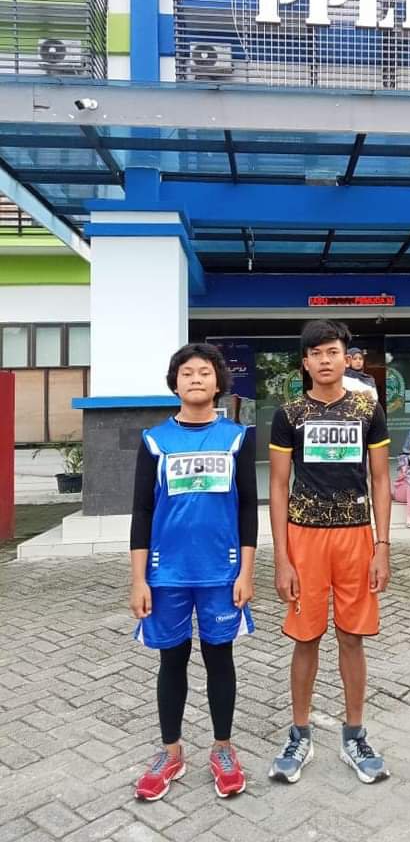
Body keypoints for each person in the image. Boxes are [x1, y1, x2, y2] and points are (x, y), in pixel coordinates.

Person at [130, 342, 257, 801]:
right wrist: (138, 579)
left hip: (222, 574)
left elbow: (248, 509)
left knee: (220, 659)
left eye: (205, 372)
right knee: (172, 660)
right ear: (175, 383)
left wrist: (246, 572)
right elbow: (142, 512)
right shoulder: (154, 440)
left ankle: (223, 748)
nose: (196, 378)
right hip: (166, 575)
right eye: (187, 373)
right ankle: (171, 753)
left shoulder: (238, 438)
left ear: (219, 382)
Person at [268, 320, 392, 785]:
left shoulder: (367, 409)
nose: (325, 360)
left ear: (347, 358)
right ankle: (299, 734)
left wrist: (382, 546)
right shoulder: (289, 414)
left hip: (356, 536)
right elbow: (277, 485)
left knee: (352, 637)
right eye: (316, 353)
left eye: (332, 352)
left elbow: (380, 478)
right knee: (306, 638)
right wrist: (282, 558)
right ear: (305, 363)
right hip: (304, 537)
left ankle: (355, 734)